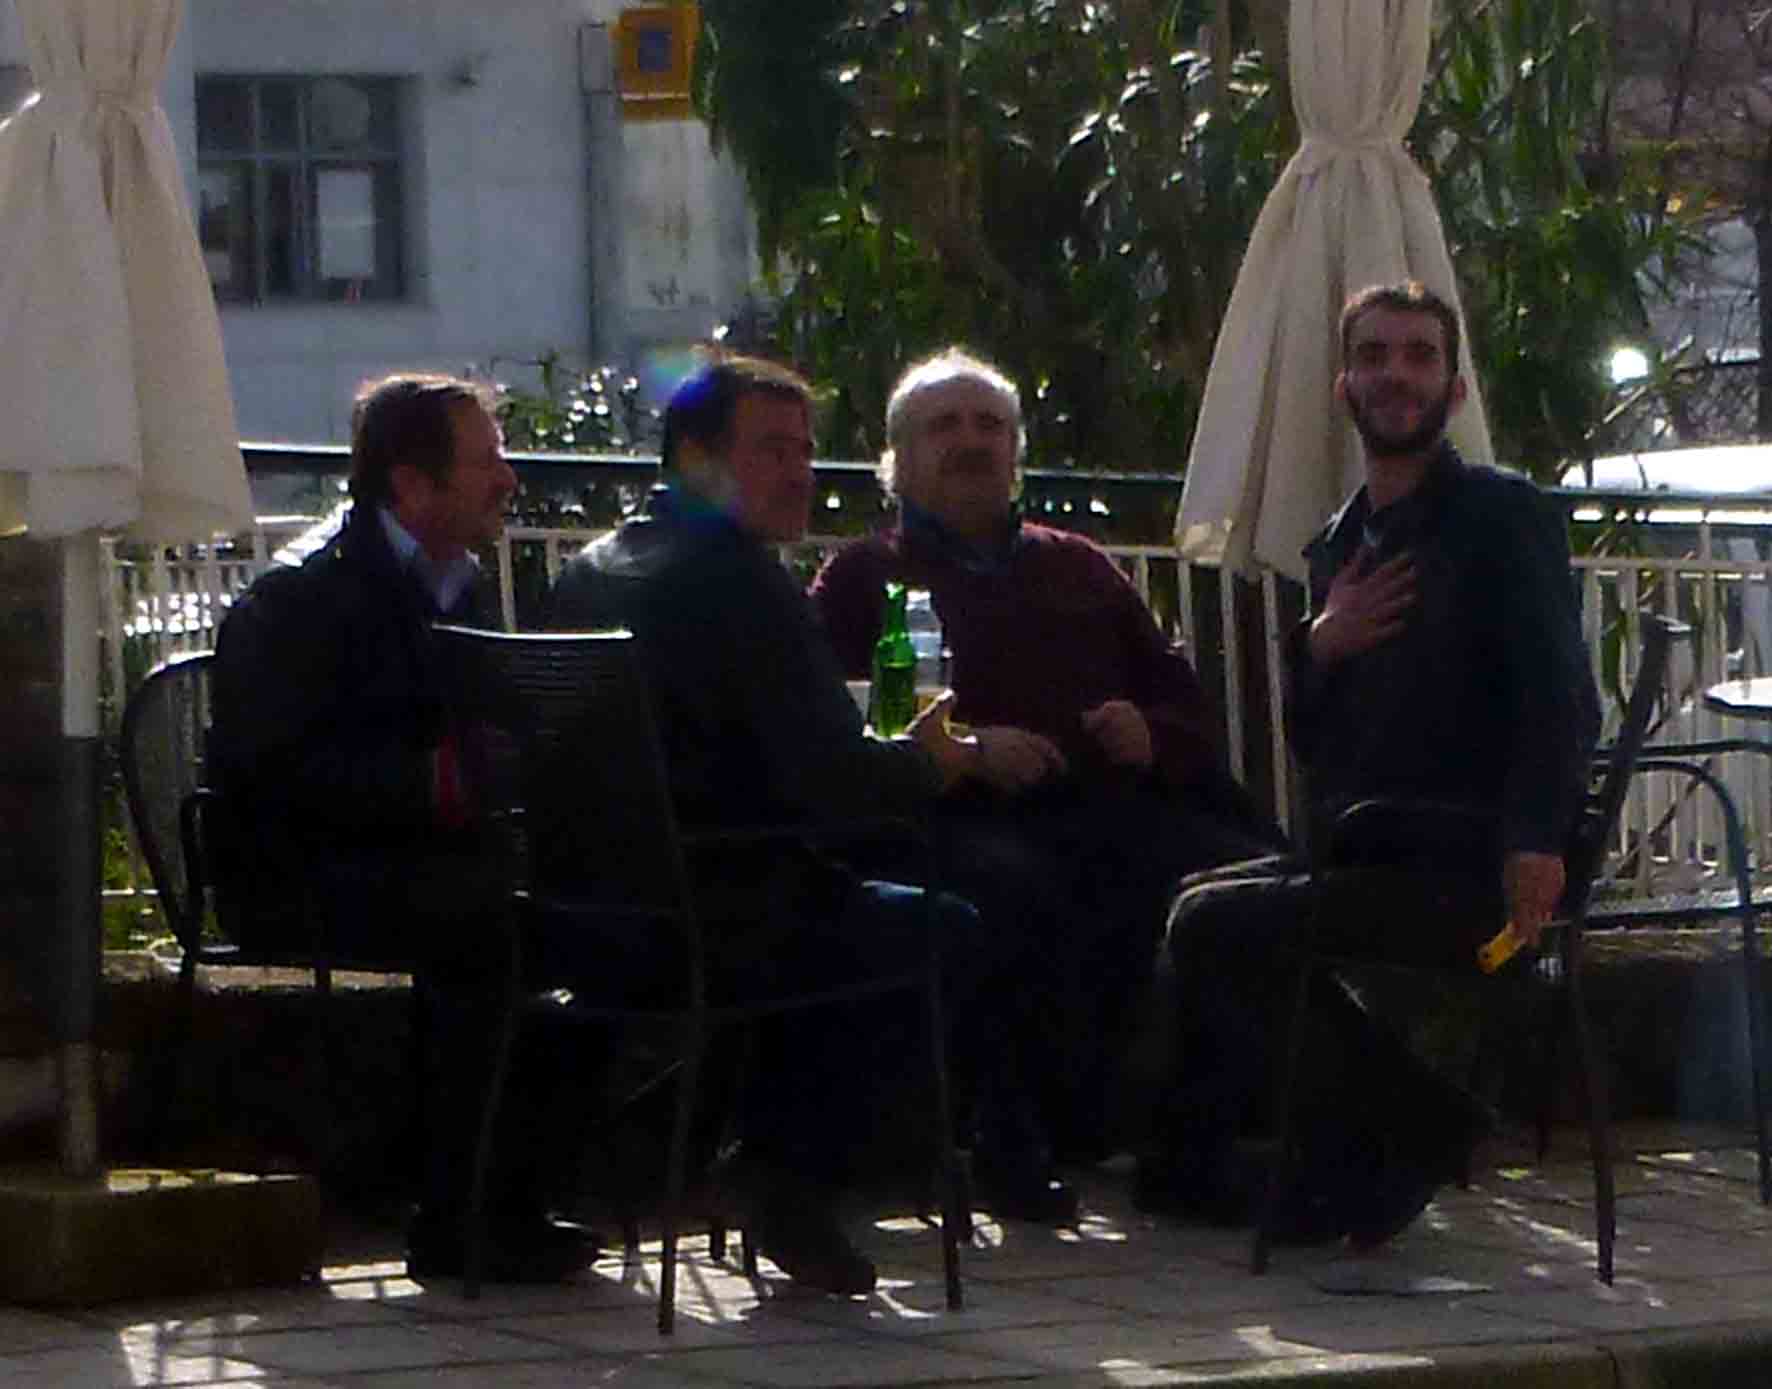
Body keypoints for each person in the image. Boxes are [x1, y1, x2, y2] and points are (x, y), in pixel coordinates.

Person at [547, 355, 1076, 1297]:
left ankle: (732, 1150)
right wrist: (937, 760)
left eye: (804, 450)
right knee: (945, 926)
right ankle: (786, 1172)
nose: (800, 474)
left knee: (845, 904)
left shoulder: (591, 571)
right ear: (697, 458)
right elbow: (836, 782)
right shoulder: (742, 581)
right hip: (716, 916)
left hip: (581, 916)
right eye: (771, 451)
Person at [1143, 281, 1601, 1247]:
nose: (1398, 374)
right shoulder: (1342, 545)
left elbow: (1560, 696)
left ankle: (1408, 1120)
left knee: (1215, 925)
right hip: (1368, 852)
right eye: (1376, 356)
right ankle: (1204, 1164)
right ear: (1345, 385)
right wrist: (1322, 645)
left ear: (1455, 389)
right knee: (1185, 891)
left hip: (1471, 863)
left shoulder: (1501, 516)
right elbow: (1317, 742)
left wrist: (1535, 840)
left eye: (1421, 355)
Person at [809, 348, 1283, 1158]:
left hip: (1104, 803)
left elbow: (1185, 706)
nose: (971, 441)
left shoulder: (1078, 565)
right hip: (953, 816)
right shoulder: (864, 577)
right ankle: (1040, 1130)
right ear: (899, 459)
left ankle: (1215, 1129)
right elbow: (836, 728)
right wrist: (967, 748)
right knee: (1022, 888)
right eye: (944, 426)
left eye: (990, 425)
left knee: (1251, 876)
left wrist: (1149, 730)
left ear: (1016, 451)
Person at [208, 373, 595, 1283]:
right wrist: (430, 785)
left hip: (417, 857)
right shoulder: (302, 596)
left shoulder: (457, 583)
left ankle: (510, 1192)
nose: (509, 479)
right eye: (487, 460)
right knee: (486, 926)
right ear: (412, 485)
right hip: (297, 871)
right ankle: (458, 1214)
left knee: (586, 908)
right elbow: (270, 773)